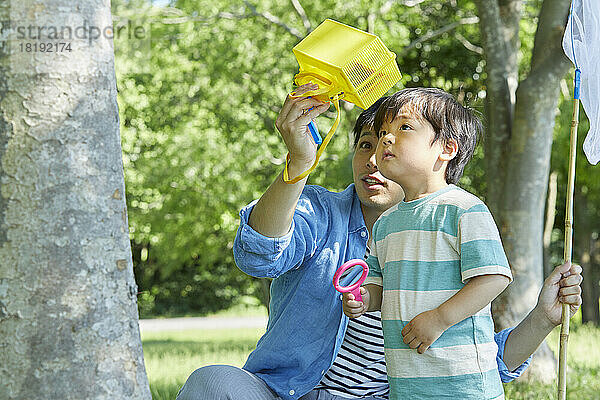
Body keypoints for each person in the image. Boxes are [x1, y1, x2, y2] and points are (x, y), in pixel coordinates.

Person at [176, 84, 583, 400]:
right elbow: (257, 257)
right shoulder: (319, 209)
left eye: (394, 137)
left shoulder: (453, 220)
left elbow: (476, 364)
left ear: (440, 152)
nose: (375, 156)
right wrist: (297, 164)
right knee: (212, 382)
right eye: (366, 144)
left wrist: (543, 318)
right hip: (289, 392)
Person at [342, 88, 510, 399]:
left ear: (447, 149)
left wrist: (439, 318)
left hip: (463, 383)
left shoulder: (464, 209)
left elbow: (494, 277)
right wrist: (365, 299)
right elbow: (380, 284)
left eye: (403, 127)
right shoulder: (386, 223)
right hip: (407, 384)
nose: (386, 140)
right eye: (382, 133)